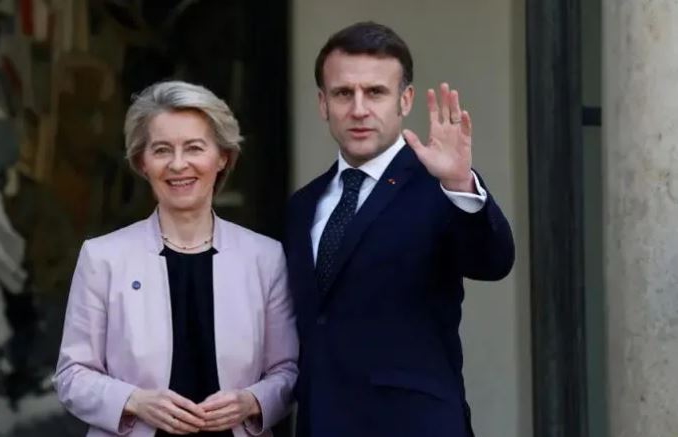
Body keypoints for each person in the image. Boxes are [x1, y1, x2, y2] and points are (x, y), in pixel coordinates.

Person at [283, 22, 515, 437]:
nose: (358, 109)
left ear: (404, 100)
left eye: (375, 92)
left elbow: (492, 261)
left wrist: (459, 184)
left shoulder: (440, 186)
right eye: (343, 93)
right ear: (322, 103)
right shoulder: (303, 205)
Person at [54, 81, 298, 437]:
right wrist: (134, 401)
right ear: (142, 161)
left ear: (222, 157)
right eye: (162, 150)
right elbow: (71, 376)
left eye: (194, 148)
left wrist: (251, 401)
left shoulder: (264, 258)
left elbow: (288, 371)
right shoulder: (103, 257)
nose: (178, 164)